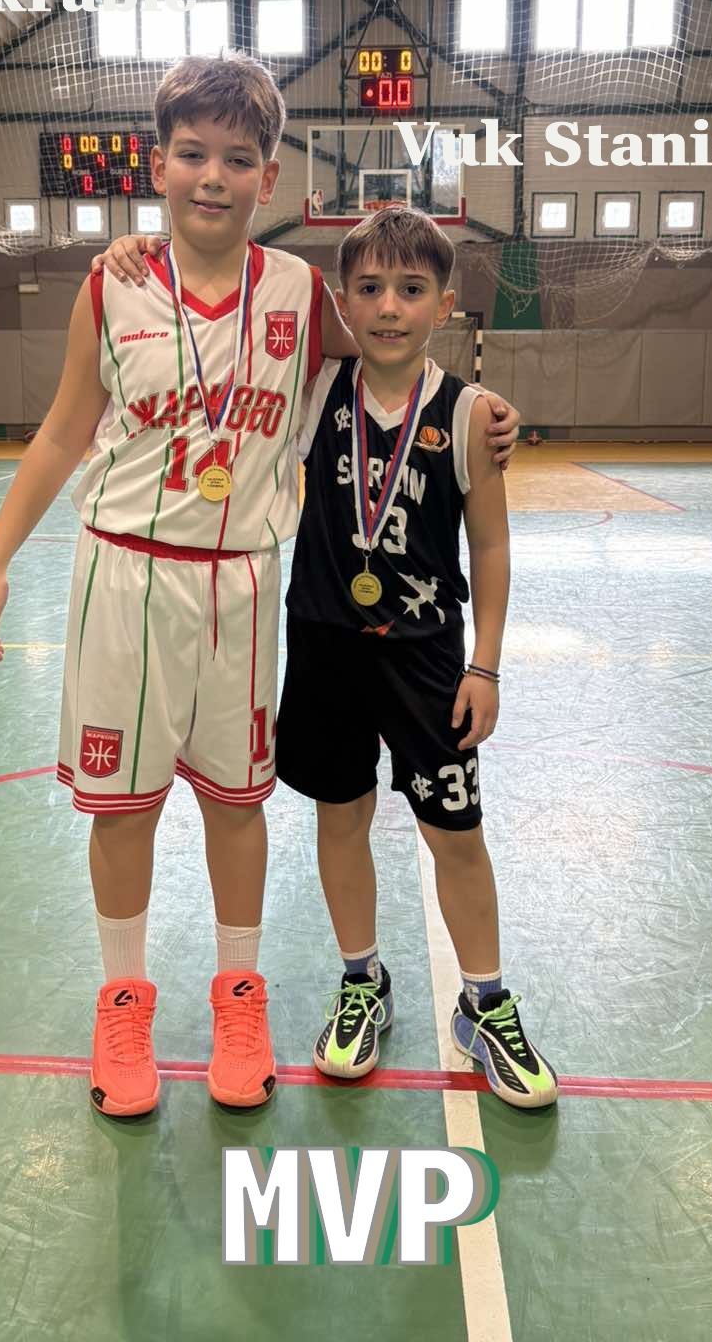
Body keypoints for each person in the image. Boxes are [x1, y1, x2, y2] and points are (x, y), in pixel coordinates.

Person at [0, 54, 519, 1122]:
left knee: (237, 804)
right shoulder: (112, 284)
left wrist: (490, 409)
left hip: (242, 589)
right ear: (158, 165)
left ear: (270, 178)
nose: (212, 176)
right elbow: (65, 428)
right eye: (192, 154)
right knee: (123, 810)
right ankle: (122, 1001)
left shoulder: (302, 294)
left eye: (236, 159)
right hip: (124, 577)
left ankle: (239, 997)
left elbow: (401, 359)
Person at [276, 206, 557, 1108]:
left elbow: (493, 546)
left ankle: (486, 1002)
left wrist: (487, 665)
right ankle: (363, 978)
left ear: (444, 303)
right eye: (369, 288)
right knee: (340, 819)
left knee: (456, 835)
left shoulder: (470, 414)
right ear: (343, 300)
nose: (389, 306)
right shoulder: (316, 391)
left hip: (428, 658)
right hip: (326, 645)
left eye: (410, 288)